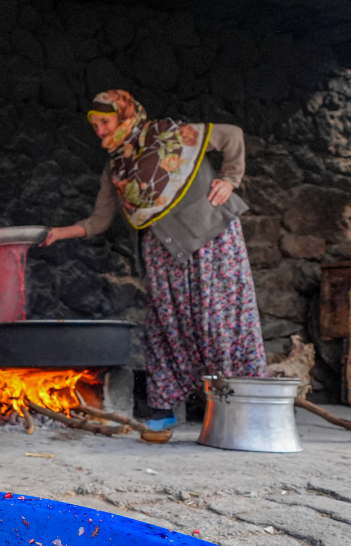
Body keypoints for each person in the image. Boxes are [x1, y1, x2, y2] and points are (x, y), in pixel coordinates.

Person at [44, 90, 267, 431]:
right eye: (95, 125)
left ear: (125, 115)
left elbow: (232, 136)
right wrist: (61, 233)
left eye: (105, 122)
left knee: (221, 321)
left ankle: (242, 407)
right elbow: (100, 220)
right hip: (162, 252)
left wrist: (230, 178)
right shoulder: (116, 166)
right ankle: (164, 409)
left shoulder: (172, 135)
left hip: (210, 241)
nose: (100, 131)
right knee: (168, 328)